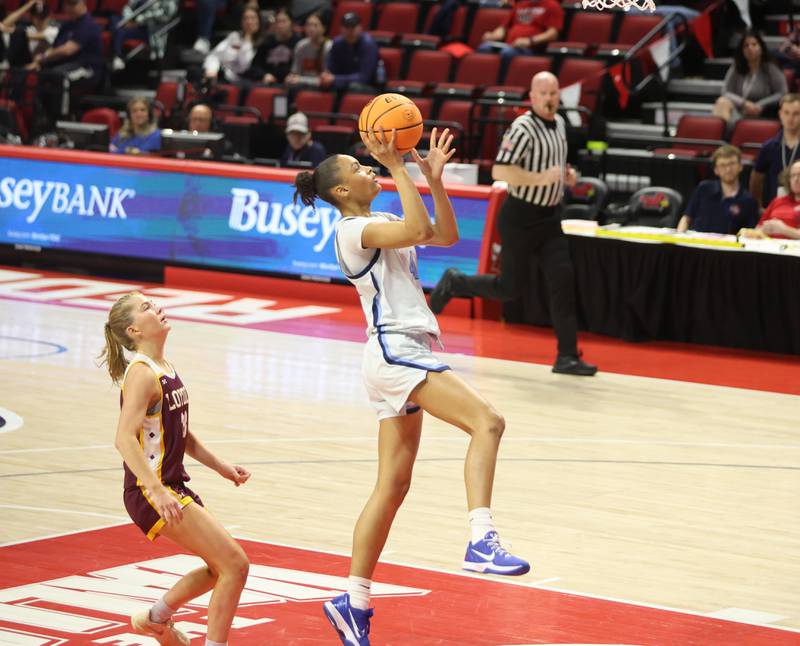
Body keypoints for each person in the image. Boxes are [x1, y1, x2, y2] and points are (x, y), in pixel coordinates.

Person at [294, 128, 529, 646]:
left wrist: (432, 178)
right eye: (358, 168)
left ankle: (352, 602)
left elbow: (442, 235)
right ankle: (481, 539)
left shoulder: (377, 220)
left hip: (396, 354)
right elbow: (419, 225)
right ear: (339, 191)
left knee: (392, 487)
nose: (367, 168)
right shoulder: (351, 232)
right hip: (396, 351)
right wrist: (401, 168)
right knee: (488, 422)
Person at [100, 292, 250, 646]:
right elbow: (124, 439)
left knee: (221, 568)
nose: (157, 308)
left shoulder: (163, 367)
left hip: (169, 486)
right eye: (147, 307)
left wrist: (221, 467)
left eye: (154, 303)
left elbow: (180, 432)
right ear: (134, 330)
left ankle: (154, 619)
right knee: (235, 565)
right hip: (151, 490)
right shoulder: (141, 374)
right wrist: (154, 489)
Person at [430, 71, 597, 377]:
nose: (550, 99)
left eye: (554, 93)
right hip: (520, 217)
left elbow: (552, 167)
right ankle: (455, 281)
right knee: (510, 288)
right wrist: (539, 178)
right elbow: (500, 170)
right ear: (532, 97)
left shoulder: (559, 124)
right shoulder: (522, 128)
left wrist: (566, 175)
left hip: (549, 218)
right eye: (544, 94)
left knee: (563, 280)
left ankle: (567, 356)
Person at [25, 0, 103, 128]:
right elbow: (54, 48)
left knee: (60, 76)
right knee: (42, 73)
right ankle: (39, 116)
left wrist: (43, 57)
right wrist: (38, 63)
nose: (70, 8)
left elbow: (68, 49)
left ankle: (61, 119)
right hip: (65, 65)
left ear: (83, 3)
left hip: (87, 68)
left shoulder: (88, 25)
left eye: (74, 4)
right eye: (67, 4)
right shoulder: (67, 26)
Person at [676, 144, 758, 234]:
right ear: (716, 170)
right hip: (698, 243)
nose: (728, 169)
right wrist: (679, 237)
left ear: (740, 166)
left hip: (727, 246)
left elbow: (750, 231)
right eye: (723, 165)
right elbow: (686, 218)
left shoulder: (749, 200)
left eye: (732, 164)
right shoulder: (703, 188)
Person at [712, 29, 787, 124]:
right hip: (741, 109)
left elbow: (782, 92)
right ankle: (727, 135)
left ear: (761, 47)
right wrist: (744, 103)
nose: (750, 48)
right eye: (746, 46)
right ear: (742, 50)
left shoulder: (771, 68)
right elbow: (725, 91)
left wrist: (760, 105)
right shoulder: (737, 67)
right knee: (722, 102)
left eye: (754, 44)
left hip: (763, 111)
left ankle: (733, 133)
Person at [476, 0, 563, 75]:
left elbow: (553, 34)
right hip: (509, 45)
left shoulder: (552, 5)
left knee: (507, 53)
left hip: (532, 49)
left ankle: (500, 84)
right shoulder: (520, 4)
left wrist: (530, 40)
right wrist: (493, 35)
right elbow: (503, 28)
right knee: (484, 48)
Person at [750, 92, 800, 209]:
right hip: (774, 209)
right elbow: (756, 179)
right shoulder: (769, 147)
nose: (790, 118)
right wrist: (759, 207)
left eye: (796, 114)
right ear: (780, 114)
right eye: (786, 113)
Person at [111, 0, 178, 71]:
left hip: (153, 30)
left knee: (120, 29)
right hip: (135, 26)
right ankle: (117, 56)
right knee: (116, 23)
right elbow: (128, 7)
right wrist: (129, 19)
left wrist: (140, 19)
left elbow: (167, 14)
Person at [741, 159, 800, 240]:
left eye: (799, 175)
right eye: (792, 175)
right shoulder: (777, 201)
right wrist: (754, 233)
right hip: (768, 247)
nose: (796, 179)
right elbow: (758, 228)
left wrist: (783, 230)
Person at [202, 6, 263, 83]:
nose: (249, 22)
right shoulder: (234, 36)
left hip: (244, 81)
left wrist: (247, 40)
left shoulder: (263, 43)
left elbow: (244, 67)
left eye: (253, 18)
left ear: (259, 21)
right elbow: (214, 55)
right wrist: (212, 70)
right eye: (245, 18)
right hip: (223, 75)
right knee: (194, 71)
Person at [321, 11, 378, 92]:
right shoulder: (337, 43)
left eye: (353, 27)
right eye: (347, 27)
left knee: (354, 87)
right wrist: (326, 76)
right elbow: (330, 68)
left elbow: (364, 77)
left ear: (360, 27)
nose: (350, 30)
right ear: (341, 29)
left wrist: (335, 79)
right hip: (341, 84)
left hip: (366, 87)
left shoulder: (368, 44)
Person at [242, 6, 299, 85]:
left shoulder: (298, 43)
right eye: (278, 22)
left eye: (284, 21)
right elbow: (254, 67)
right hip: (267, 83)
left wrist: (293, 76)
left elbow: (300, 68)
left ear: (291, 23)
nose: (280, 25)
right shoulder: (267, 43)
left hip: (290, 84)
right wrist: (264, 75)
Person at [0, 0, 58, 68]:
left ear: (48, 16)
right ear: (32, 17)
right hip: (23, 61)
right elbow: (3, 25)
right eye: (37, 16)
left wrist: (10, 30)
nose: (40, 20)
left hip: (42, 64)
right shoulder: (29, 29)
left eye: (43, 17)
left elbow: (35, 36)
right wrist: (29, 5)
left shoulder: (54, 30)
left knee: (19, 33)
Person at [285, 10, 331, 89]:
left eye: (315, 25)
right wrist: (291, 78)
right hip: (302, 87)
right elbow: (295, 73)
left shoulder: (329, 47)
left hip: (323, 88)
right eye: (308, 25)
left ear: (324, 28)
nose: (311, 28)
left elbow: (327, 80)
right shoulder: (301, 46)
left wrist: (301, 80)